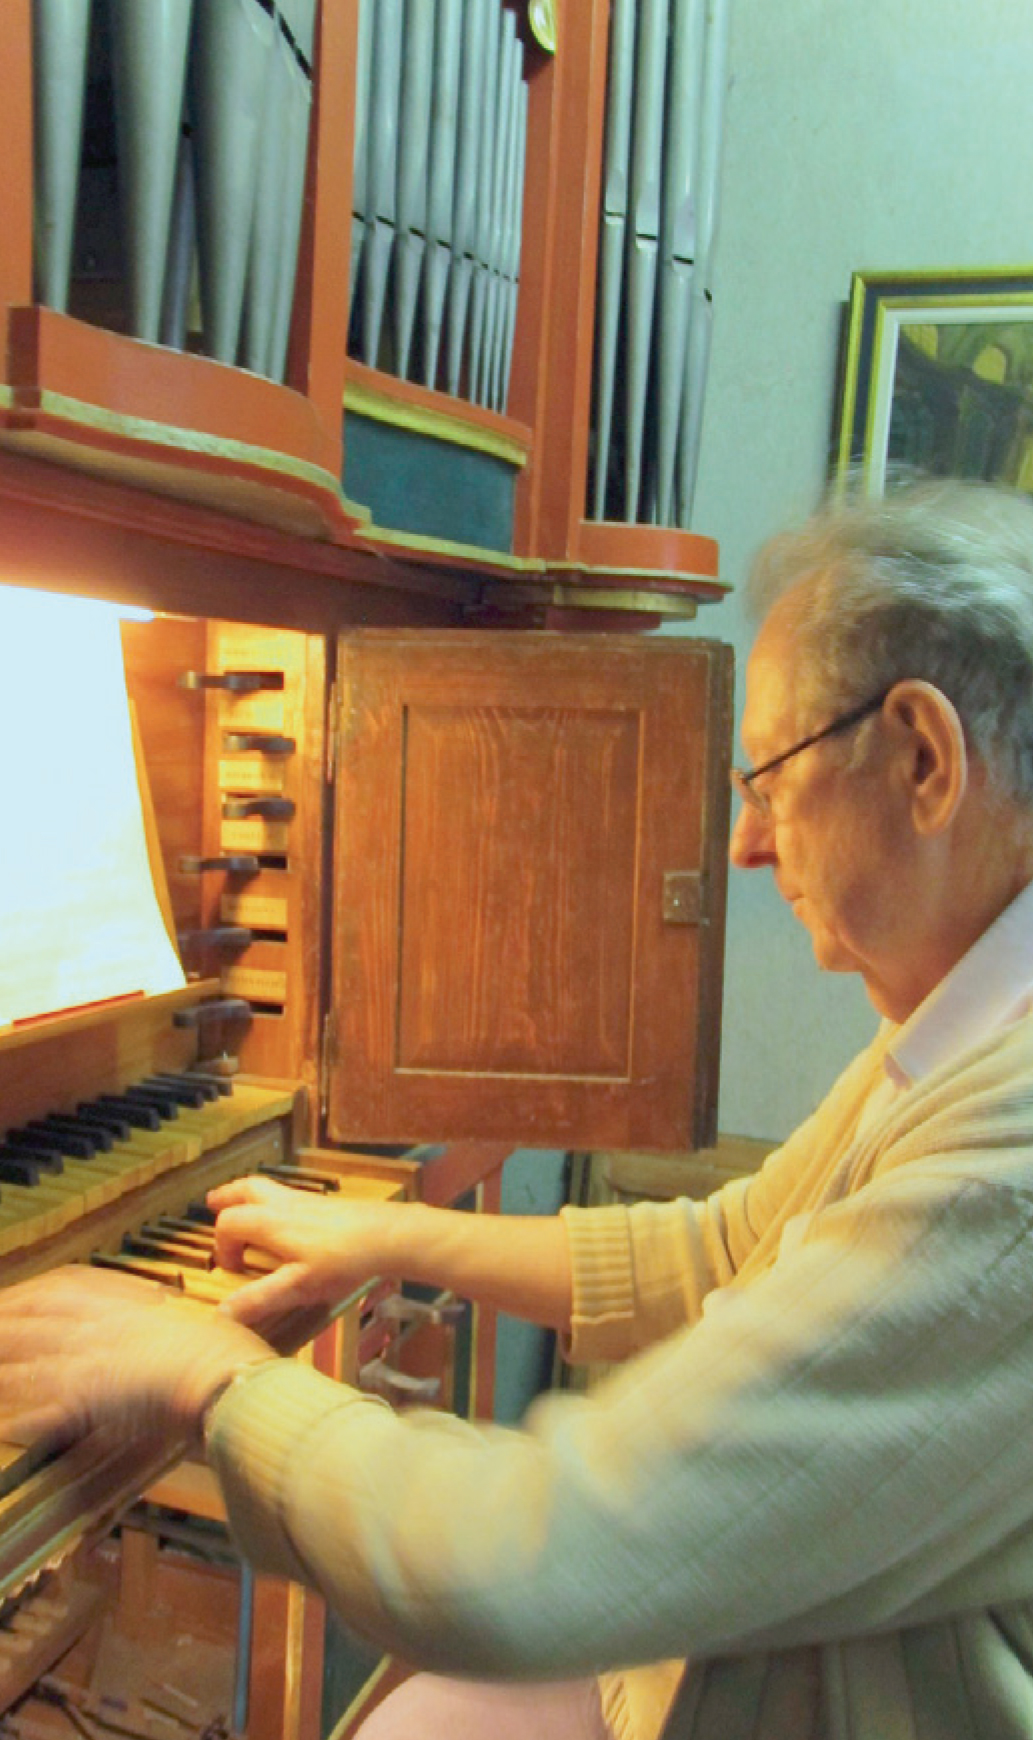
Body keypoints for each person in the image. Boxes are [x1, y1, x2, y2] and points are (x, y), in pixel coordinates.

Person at [6, 473, 1033, 1740]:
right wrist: (385, 1235)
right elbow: (721, 1248)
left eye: (764, 778)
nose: (746, 846)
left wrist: (195, 1373)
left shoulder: (1008, 1166)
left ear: (924, 759)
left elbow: (528, 1565)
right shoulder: (958, 1030)